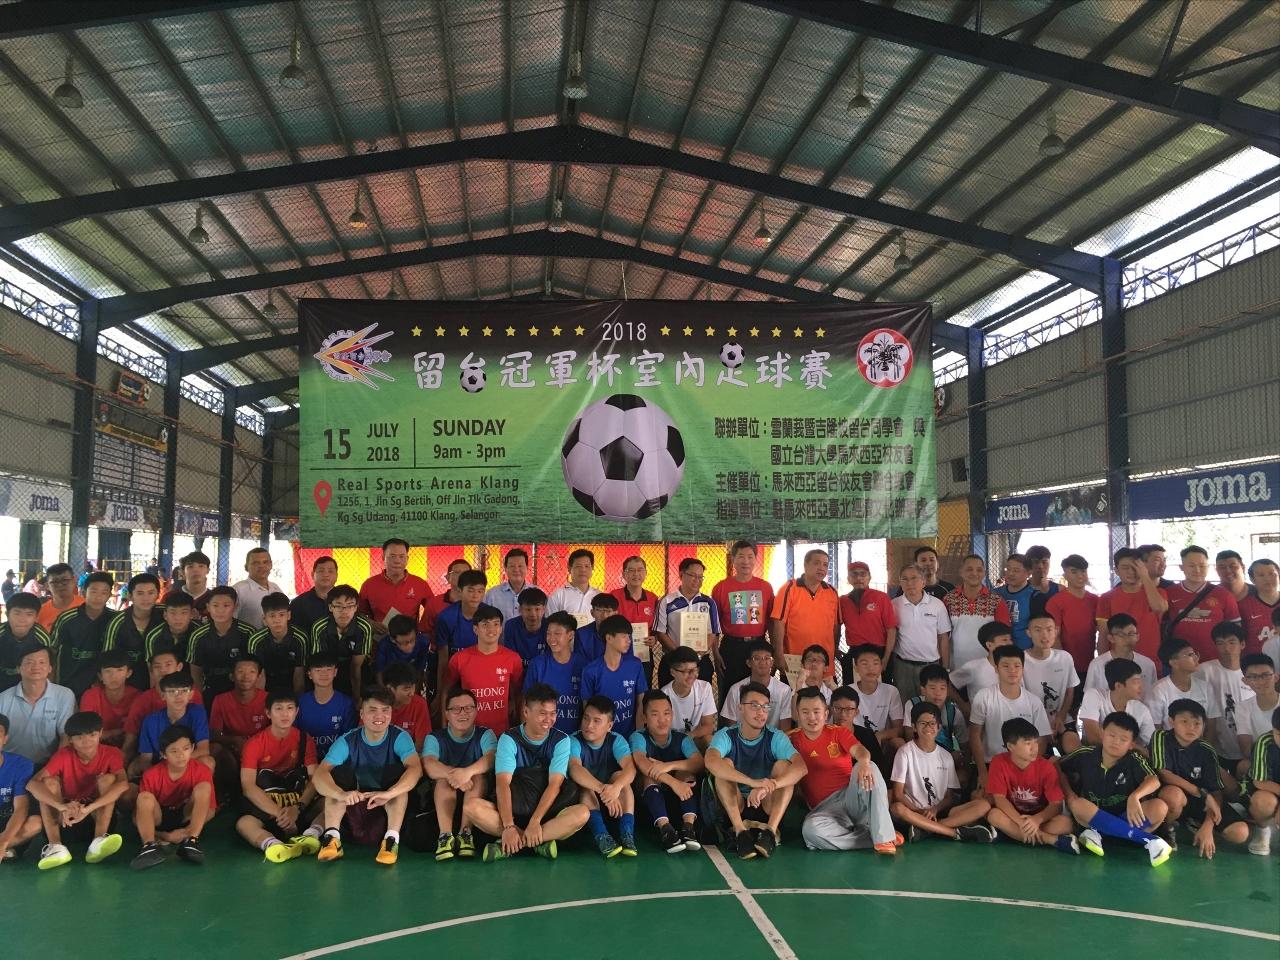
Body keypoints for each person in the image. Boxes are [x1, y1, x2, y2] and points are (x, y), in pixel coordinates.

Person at [464, 682, 590, 861]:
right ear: (526, 712)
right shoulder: (509, 738)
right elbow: (502, 784)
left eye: (553, 713)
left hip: (546, 815)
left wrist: (536, 821)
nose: (549, 719)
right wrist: (508, 826)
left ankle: (511, 845)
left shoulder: (561, 740)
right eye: (542, 713)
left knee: (582, 813)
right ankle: (536, 843)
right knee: (471, 807)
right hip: (512, 813)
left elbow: (555, 785)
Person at [312, 688, 422, 865]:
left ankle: (391, 840)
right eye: (373, 710)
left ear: (391, 713)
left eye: (385, 710)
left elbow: (416, 769)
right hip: (356, 803)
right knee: (337, 775)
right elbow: (319, 775)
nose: (380, 716)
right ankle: (332, 838)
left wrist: (389, 793)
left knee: (398, 774)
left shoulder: (399, 737)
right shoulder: (348, 740)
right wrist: (341, 794)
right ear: (362, 714)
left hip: (387, 803)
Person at [790, 686, 899, 854]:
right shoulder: (790, 739)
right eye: (805, 712)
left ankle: (884, 838)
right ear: (797, 714)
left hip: (851, 797)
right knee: (810, 831)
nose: (812, 717)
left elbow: (860, 751)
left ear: (826, 713)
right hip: (824, 810)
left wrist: (863, 761)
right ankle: (876, 837)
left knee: (871, 767)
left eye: (816, 711)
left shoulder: (838, 732)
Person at [705, 680, 806, 859]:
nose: (761, 712)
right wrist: (752, 782)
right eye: (754, 706)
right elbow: (711, 761)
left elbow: (801, 768)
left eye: (765, 707)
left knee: (784, 766)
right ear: (740, 708)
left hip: (767, 804)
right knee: (723, 765)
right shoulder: (726, 735)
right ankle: (739, 832)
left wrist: (769, 785)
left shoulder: (775, 737)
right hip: (736, 804)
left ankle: (769, 833)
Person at [1059, 712, 1172, 866]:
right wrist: (1069, 793)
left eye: (1123, 739)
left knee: (1159, 807)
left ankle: (1099, 833)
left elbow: (1154, 781)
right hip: (1091, 816)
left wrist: (1135, 796)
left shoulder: (1134, 759)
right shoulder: (1086, 754)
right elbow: (1056, 765)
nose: (1116, 742)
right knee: (1078, 804)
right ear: (1102, 733)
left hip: (1128, 817)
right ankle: (1149, 841)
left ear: (1131, 744)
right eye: (1112, 735)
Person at [25, 710, 128, 870]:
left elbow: (123, 784)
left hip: (96, 818)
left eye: (92, 735)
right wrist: (62, 807)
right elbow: (32, 784)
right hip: (65, 820)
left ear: (100, 733)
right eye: (79, 737)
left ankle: (98, 841)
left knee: (109, 780)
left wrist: (89, 808)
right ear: (70, 740)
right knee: (48, 782)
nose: (86, 741)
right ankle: (55, 846)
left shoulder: (112, 753)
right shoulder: (63, 755)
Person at [1151, 699, 1248, 858]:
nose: (1191, 727)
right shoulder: (1161, 737)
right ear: (1171, 721)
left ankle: (1197, 826)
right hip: (1176, 797)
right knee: (1173, 795)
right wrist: (1202, 793)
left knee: (1240, 833)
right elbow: (1164, 773)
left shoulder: (1206, 749)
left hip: (1201, 802)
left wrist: (1208, 825)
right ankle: (1165, 829)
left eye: (1197, 723)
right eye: (1184, 721)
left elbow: (1216, 792)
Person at [235, 691, 323, 864]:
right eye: (279, 709)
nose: (285, 714)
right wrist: (281, 815)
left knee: (331, 803)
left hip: (297, 800)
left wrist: (297, 808)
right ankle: (272, 845)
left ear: (297, 712)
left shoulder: (305, 739)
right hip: (269, 804)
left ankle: (311, 835)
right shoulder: (254, 744)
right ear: (268, 713)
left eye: (290, 708)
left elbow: (315, 779)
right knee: (244, 824)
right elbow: (248, 786)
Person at [890, 702, 994, 842]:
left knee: (984, 805)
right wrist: (920, 812)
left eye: (932, 723)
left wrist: (935, 810)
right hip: (914, 811)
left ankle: (926, 828)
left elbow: (950, 796)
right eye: (923, 723)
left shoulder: (946, 756)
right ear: (914, 727)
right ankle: (953, 833)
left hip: (940, 812)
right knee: (897, 808)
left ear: (939, 727)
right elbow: (898, 794)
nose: (928, 727)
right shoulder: (905, 753)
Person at [422, 687, 497, 862]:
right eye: (456, 709)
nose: (463, 713)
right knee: (442, 780)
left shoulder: (485, 734)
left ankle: (465, 834)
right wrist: (456, 776)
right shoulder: (435, 738)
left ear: (476, 711)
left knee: (478, 776)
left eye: (468, 708)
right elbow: (430, 765)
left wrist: (468, 772)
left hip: (477, 794)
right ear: (447, 714)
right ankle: (445, 836)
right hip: (444, 797)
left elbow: (491, 758)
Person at [985, 717, 1077, 853]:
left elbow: (1056, 805)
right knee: (993, 815)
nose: (1034, 748)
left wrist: (1036, 820)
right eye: (1028, 743)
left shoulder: (1046, 767)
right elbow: (999, 799)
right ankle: (1050, 840)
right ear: (1010, 746)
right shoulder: (998, 762)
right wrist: (1020, 822)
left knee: (1066, 824)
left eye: (1036, 742)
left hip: (1040, 819)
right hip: (1013, 816)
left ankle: (1011, 834)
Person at [130, 725, 217, 869]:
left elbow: (211, 811)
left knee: (204, 787)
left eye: (186, 748)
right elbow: (136, 818)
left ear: (193, 748)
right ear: (163, 754)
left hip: (186, 817)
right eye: (174, 751)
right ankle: (149, 847)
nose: (181, 754)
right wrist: (164, 836)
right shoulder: (152, 775)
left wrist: (186, 832)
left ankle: (191, 842)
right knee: (144, 797)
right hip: (159, 820)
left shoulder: (202, 771)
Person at [630, 690, 704, 853]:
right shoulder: (638, 737)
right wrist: (673, 782)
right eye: (655, 714)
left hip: (678, 797)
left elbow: (698, 762)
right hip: (649, 800)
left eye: (666, 713)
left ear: (672, 714)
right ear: (644, 718)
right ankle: (666, 831)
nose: (662, 720)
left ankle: (688, 828)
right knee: (648, 777)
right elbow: (644, 765)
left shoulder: (682, 738)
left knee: (687, 774)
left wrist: (668, 766)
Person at [969, 646, 1051, 793]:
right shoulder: (984, 697)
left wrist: (1029, 769)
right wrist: (982, 772)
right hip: (991, 763)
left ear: (1023, 668)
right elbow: (975, 734)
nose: (1012, 670)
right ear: (996, 669)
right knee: (982, 800)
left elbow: (1042, 739)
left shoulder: (1033, 702)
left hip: (1023, 765)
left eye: (1017, 666)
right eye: (1005, 666)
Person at [569, 695, 638, 858]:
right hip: (591, 797)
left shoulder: (616, 740)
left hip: (614, 799)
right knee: (584, 787)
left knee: (621, 777)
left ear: (609, 725)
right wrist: (603, 790)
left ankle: (627, 834)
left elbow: (630, 769)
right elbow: (575, 769)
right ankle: (602, 836)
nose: (589, 725)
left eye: (596, 721)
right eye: (586, 718)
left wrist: (616, 787)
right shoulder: (574, 740)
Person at [443, 604, 523, 735]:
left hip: (501, 734)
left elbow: (518, 693)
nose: (491, 629)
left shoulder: (513, 659)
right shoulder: (460, 659)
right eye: (485, 625)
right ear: (475, 629)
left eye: (496, 624)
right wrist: (445, 724)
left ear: (501, 628)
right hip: (468, 734)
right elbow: (446, 692)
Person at [711, 541, 774, 695]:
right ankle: (728, 720)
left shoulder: (765, 587)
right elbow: (714, 625)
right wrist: (715, 652)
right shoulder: (721, 587)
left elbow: (772, 622)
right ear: (733, 559)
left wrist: (774, 651)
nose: (745, 561)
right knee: (728, 692)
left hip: (758, 645)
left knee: (759, 693)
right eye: (741, 556)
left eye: (750, 557)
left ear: (755, 559)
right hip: (731, 647)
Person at [121, 650, 204, 762]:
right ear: (151, 671)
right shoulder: (143, 701)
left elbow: (202, 741)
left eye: (168, 665)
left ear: (179, 667)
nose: (163, 670)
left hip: (186, 754)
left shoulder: (194, 698)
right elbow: (131, 739)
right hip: (156, 755)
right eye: (157, 666)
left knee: (208, 759)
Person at [0, 643, 75, 765]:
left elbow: (66, 736)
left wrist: (54, 768)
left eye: (42, 662)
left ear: (50, 668)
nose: (36, 667)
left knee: (51, 785)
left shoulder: (64, 695)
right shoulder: (3, 699)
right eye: (29, 662)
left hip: (48, 764)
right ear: (19, 668)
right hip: (11, 766)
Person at [1166, 546, 1241, 663]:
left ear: (1208, 567)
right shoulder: (1169, 593)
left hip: (1216, 661)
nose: (1197, 570)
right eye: (1191, 565)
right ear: (1181, 567)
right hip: (1181, 662)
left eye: (1202, 566)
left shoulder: (1224, 595)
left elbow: (1236, 629)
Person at [653, 558, 722, 686]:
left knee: (700, 701)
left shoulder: (709, 603)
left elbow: (712, 633)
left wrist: (699, 655)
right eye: (693, 575)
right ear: (681, 574)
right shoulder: (666, 601)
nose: (697, 580)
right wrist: (681, 654)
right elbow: (661, 632)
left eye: (701, 577)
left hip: (700, 661)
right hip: (673, 660)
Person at [1199, 621, 1254, 779]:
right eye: (1220, 643)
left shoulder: (1252, 673)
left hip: (1250, 747)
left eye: (1232, 642)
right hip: (1218, 747)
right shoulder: (1204, 671)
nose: (1226, 648)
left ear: (1242, 644)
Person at [1095, 548, 1168, 663]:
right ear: (1117, 571)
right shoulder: (1106, 597)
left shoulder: (1158, 593)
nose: (1131, 572)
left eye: (1135, 567)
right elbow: (1103, 634)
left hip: (1151, 660)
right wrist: (1103, 662)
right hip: (1119, 662)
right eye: (1125, 568)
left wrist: (1145, 576)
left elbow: (1159, 608)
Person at [770, 548, 839, 669]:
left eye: (825, 565)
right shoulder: (789, 588)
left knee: (827, 689)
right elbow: (778, 623)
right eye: (816, 563)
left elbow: (836, 626)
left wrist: (834, 651)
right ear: (805, 565)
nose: (822, 568)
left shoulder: (832, 592)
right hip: (795, 661)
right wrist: (778, 655)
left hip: (824, 661)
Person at [581, 615, 648, 738]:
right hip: (602, 740)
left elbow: (641, 704)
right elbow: (587, 710)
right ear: (609, 638)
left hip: (630, 737)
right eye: (624, 636)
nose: (629, 640)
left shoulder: (635, 665)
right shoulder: (591, 671)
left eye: (629, 636)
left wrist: (638, 738)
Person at [890, 563, 952, 696]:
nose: (909, 583)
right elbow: (891, 635)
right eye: (904, 579)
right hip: (903, 666)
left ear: (923, 582)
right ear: (900, 582)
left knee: (931, 706)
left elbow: (943, 637)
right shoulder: (894, 605)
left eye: (914, 578)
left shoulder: (937, 605)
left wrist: (945, 668)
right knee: (906, 703)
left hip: (931, 665)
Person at [133, 672, 211, 776]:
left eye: (184, 691)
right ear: (163, 695)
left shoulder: (197, 712)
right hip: (161, 768)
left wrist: (176, 764)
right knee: (134, 768)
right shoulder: (150, 721)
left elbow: (203, 750)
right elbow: (145, 758)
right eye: (172, 691)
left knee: (208, 762)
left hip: (187, 764)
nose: (178, 696)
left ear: (191, 695)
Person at [50, 571, 113, 699]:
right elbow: (51, 650)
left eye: (104, 592)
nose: (98, 597)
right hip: (67, 684)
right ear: (83, 592)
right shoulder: (67, 618)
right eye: (93, 591)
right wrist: (51, 685)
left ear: (109, 595)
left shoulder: (114, 619)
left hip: (100, 686)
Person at [940, 555, 1009, 672]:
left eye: (979, 570)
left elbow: (1004, 636)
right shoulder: (949, 599)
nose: (974, 573)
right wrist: (945, 666)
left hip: (987, 668)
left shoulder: (996, 601)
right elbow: (942, 635)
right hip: (956, 666)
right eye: (969, 569)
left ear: (984, 573)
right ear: (961, 572)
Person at [1022, 611, 1080, 746]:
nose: (1044, 635)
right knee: (1038, 752)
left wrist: (1061, 716)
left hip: (1061, 718)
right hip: (1032, 720)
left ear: (1056, 631)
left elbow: (1069, 691)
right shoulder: (1020, 660)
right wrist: (1043, 726)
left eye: (1049, 629)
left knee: (1074, 749)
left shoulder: (1065, 657)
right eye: (1038, 630)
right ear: (1028, 633)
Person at [523, 611, 586, 735]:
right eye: (548, 634)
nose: (551, 638)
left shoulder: (584, 666)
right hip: (542, 738)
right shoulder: (538, 664)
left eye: (557, 634)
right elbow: (525, 702)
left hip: (574, 739)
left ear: (571, 635)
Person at [309, 584, 374, 700]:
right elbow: (320, 663)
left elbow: (356, 666)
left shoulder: (364, 627)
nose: (344, 611)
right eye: (338, 606)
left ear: (356, 607)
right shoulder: (319, 627)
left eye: (349, 606)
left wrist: (356, 698)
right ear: (330, 607)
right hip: (329, 669)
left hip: (355, 669)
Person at [189, 586, 255, 698]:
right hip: (209, 688)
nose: (220, 610)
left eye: (226, 605)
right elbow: (196, 672)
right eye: (215, 605)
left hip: (239, 689)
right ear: (208, 607)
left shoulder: (248, 632)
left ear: (235, 607)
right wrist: (198, 700)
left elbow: (255, 670)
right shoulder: (198, 635)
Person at [1147, 638, 1220, 739]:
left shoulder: (1205, 687)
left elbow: (1211, 726)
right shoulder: (1158, 691)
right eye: (1190, 655)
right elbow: (1156, 730)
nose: (1195, 658)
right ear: (1174, 663)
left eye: (1195, 654)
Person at [838, 560, 898, 684]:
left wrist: (886, 658)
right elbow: (837, 626)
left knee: (882, 692)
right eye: (854, 574)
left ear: (869, 577)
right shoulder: (842, 601)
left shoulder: (881, 597)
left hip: (879, 653)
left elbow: (891, 629)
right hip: (855, 652)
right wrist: (835, 649)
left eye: (863, 574)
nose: (859, 578)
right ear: (848, 578)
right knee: (852, 693)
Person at [208, 655, 270, 775]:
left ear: (259, 676)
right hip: (232, 747)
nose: (246, 676)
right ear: (232, 676)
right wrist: (233, 740)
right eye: (240, 671)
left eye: (252, 672)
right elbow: (215, 733)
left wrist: (252, 744)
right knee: (215, 749)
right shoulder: (220, 700)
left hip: (261, 745)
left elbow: (275, 731)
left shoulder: (269, 699)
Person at [1076, 658, 1155, 750]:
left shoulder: (1141, 709)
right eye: (1136, 682)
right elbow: (1093, 737)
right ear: (1118, 686)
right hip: (1096, 755)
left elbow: (1152, 745)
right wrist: (1132, 747)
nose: (1141, 686)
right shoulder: (1094, 696)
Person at [432, 570, 488, 699]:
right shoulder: (446, 617)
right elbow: (443, 659)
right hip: (454, 673)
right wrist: (440, 693)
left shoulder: (489, 616)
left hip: (481, 672)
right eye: (470, 590)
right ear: (460, 591)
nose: (475, 595)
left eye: (480, 591)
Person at [1045, 554, 1099, 681]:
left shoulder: (1095, 600)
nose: (1080, 576)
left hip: (1090, 663)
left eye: (1083, 571)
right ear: (1065, 575)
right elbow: (1054, 636)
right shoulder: (1056, 602)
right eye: (1074, 572)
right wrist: (1064, 664)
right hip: (1066, 666)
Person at [358, 538, 431, 630]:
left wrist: (421, 627)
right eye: (392, 556)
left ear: (407, 559)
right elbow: (359, 614)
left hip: (410, 641)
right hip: (379, 640)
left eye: (401, 556)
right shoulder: (369, 584)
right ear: (383, 557)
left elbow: (433, 610)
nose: (397, 561)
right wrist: (372, 624)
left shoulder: (420, 584)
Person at [904, 665, 968, 767]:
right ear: (923, 689)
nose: (938, 693)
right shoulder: (912, 705)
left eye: (942, 688)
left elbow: (965, 744)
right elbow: (909, 737)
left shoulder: (954, 712)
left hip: (945, 757)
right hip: (919, 756)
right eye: (932, 688)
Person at [720, 639, 791, 731]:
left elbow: (786, 729)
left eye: (767, 658)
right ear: (749, 663)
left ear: (772, 663)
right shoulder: (736, 689)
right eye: (757, 658)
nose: (762, 662)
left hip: (773, 742)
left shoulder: (784, 690)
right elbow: (730, 727)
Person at [294, 655, 355, 761]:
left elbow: (349, 738)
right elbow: (294, 736)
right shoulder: (299, 703)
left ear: (335, 672)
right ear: (309, 674)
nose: (324, 674)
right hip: (305, 760)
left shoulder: (346, 703)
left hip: (337, 762)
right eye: (318, 670)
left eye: (328, 669)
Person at [248, 592, 307, 696]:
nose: (277, 620)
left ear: (288, 615)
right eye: (272, 616)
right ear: (264, 619)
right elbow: (257, 674)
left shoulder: (300, 637)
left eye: (281, 615)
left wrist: (296, 700)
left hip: (291, 684)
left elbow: (299, 673)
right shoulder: (256, 639)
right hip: (266, 685)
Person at [0, 713, 41, 861]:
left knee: (36, 823)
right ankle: (7, 851)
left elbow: (21, 808)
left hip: (10, 824)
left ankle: (5, 847)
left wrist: (3, 840)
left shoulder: (22, 765)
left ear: (5, 739)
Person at [660, 645, 717, 749]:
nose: (692, 675)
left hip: (693, 739)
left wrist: (688, 737)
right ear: (673, 672)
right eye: (686, 671)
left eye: (694, 670)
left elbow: (709, 726)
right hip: (671, 743)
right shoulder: (663, 695)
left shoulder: (704, 688)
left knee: (709, 740)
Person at [78, 650, 139, 747]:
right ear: (100, 676)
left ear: (129, 673)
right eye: (108, 671)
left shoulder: (138, 697)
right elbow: (85, 733)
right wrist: (115, 732)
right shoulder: (91, 695)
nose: (113, 676)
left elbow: (136, 735)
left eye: (119, 670)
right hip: (95, 748)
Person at [848, 645, 903, 747]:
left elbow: (899, 730)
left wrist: (880, 736)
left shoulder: (891, 691)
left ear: (881, 666)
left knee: (899, 742)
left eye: (875, 663)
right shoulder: (848, 691)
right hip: (855, 744)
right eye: (864, 664)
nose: (870, 668)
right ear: (856, 667)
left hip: (882, 742)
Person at [1243, 705, 1280, 855]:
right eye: (1279, 734)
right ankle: (1262, 830)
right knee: (1264, 803)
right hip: (1267, 790)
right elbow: (1259, 781)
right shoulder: (1264, 742)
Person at [0, 592, 51, 692]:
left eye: (29, 614)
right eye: (17, 613)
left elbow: (47, 666)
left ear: (36, 618)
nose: (22, 620)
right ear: (7, 614)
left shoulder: (42, 638)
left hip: (28, 684)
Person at [950, 621, 1009, 705]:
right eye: (1004, 640)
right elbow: (948, 685)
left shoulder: (1016, 667)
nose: (1010, 643)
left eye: (1010, 639)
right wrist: (964, 708)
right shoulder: (973, 667)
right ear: (989, 645)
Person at [610, 554, 658, 652]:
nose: (636, 574)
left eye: (640, 570)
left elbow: (656, 627)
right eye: (631, 570)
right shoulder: (614, 596)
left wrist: (654, 638)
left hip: (644, 651)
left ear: (645, 573)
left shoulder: (653, 598)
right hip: (619, 651)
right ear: (624, 574)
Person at [1241, 654, 1279, 764]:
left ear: (1276, 677)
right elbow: (1246, 750)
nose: (1261, 681)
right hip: (1262, 760)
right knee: (1243, 765)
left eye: (1266, 675)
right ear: (1245, 681)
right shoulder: (1242, 708)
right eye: (1253, 677)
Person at [992, 554, 1036, 650]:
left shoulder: (1035, 596)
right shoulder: (996, 594)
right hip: (1000, 649)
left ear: (1028, 573)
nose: (1011, 573)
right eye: (1008, 569)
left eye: (1016, 570)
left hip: (1025, 651)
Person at [230, 547, 281, 631]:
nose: (261, 566)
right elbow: (230, 621)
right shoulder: (238, 590)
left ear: (271, 565)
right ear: (246, 567)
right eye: (256, 563)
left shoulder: (275, 588)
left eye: (265, 562)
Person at [420, 558, 469, 643]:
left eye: (466, 573)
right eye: (457, 573)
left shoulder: (477, 603)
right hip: (439, 653)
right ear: (447, 578)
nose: (462, 576)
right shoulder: (434, 603)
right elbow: (425, 633)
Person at [383, 662, 431, 751]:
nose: (412, 693)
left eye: (413, 687)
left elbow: (421, 744)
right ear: (390, 689)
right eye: (406, 689)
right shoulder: (375, 704)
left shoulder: (419, 704)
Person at [373, 614, 430, 688]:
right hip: (391, 680)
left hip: (410, 678)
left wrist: (415, 690)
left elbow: (419, 669)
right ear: (393, 640)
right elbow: (379, 673)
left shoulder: (423, 643)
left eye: (412, 640)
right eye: (405, 643)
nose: (410, 646)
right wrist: (385, 693)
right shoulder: (384, 646)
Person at [289, 556, 338, 636]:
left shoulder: (346, 602)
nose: (326, 574)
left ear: (336, 576)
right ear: (312, 574)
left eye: (330, 571)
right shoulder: (298, 603)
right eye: (321, 571)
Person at [144, 589, 197, 664]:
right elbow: (152, 667)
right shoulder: (153, 636)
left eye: (184, 612)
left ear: (191, 614)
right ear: (165, 615)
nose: (178, 618)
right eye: (173, 612)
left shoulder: (200, 634)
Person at [501, 587, 548, 670]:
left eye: (537, 609)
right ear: (520, 610)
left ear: (544, 610)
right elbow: (510, 658)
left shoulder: (550, 627)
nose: (533, 614)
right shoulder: (511, 626)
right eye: (528, 609)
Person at [545, 548, 601, 617]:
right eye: (578, 566)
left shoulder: (598, 595)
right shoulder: (558, 595)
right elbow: (551, 623)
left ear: (592, 567)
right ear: (569, 568)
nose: (583, 570)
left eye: (587, 566)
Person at [1241, 559, 1279, 655]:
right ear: (1252, 579)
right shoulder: (1243, 606)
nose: (1268, 579)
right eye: (1261, 575)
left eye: (1272, 574)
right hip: (1256, 665)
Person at [483, 547, 530, 624]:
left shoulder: (537, 592)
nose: (516, 570)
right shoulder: (492, 595)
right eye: (512, 566)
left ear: (527, 568)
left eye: (520, 566)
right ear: (505, 569)